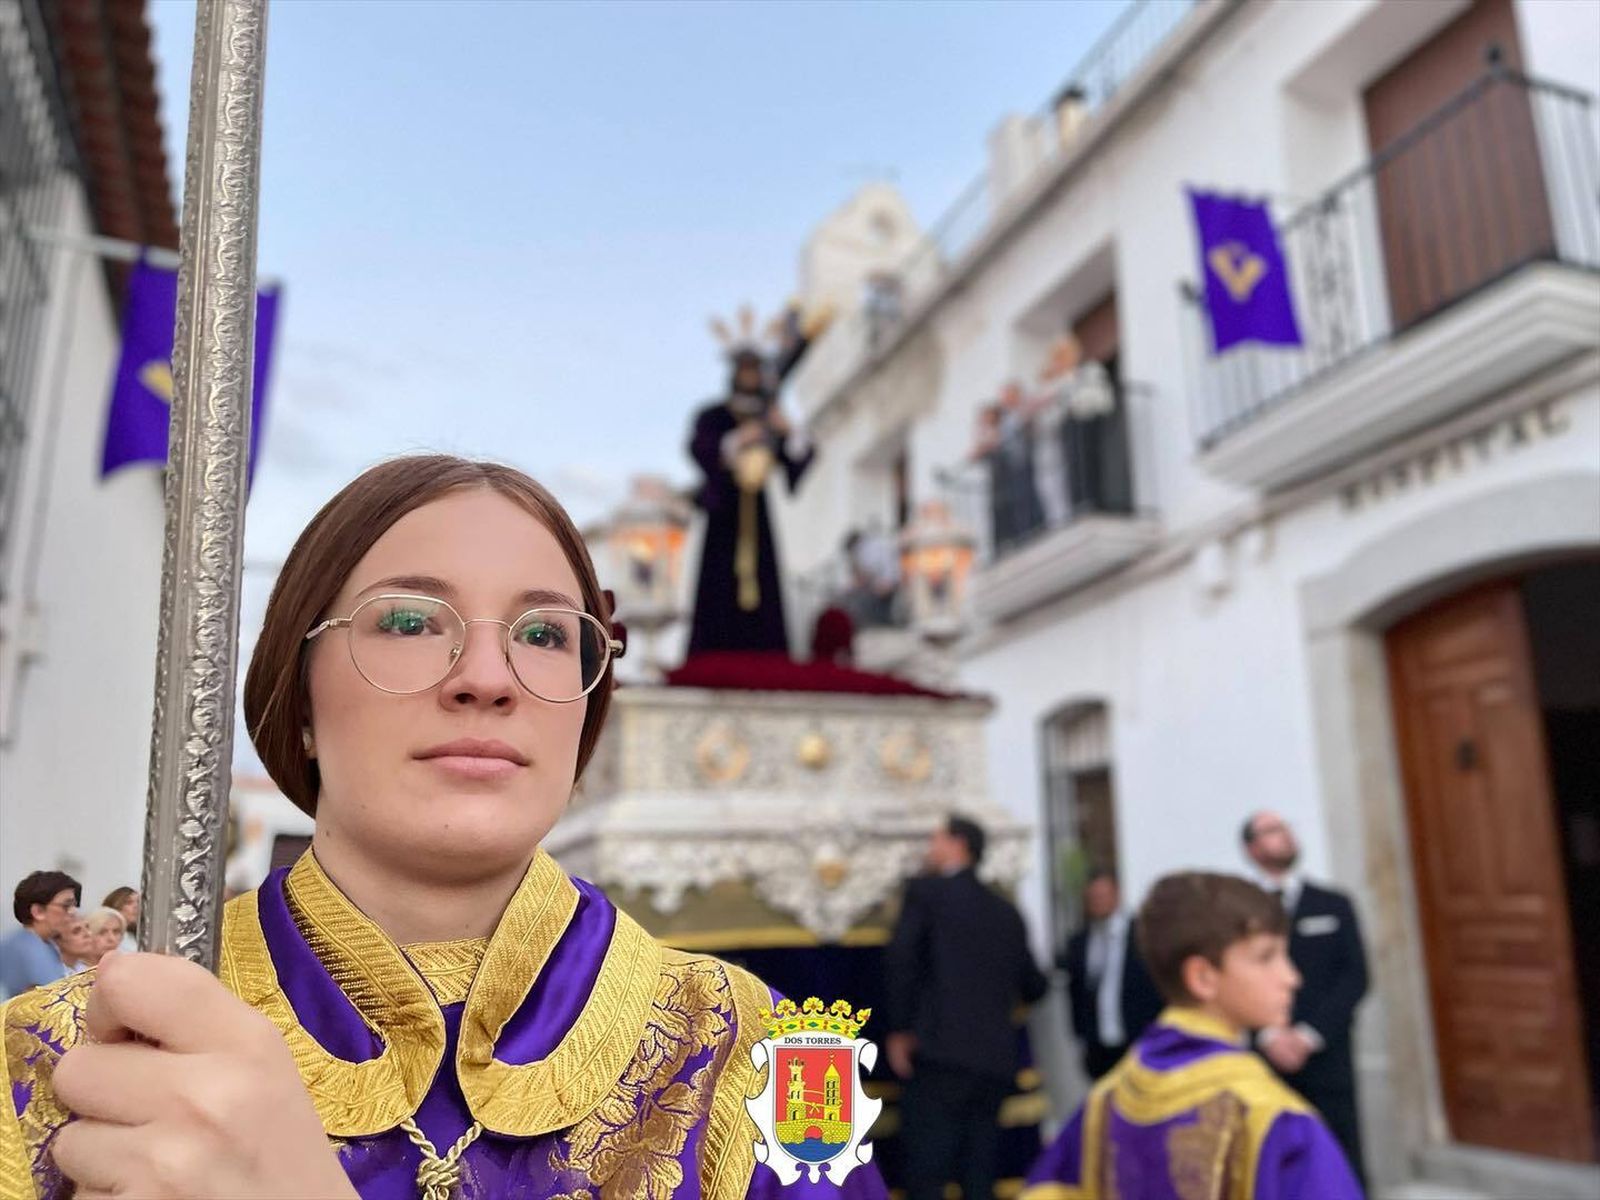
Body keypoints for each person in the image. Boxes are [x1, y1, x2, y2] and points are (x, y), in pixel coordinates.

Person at [1, 455, 887, 1199]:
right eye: (411, 621)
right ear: (299, 695)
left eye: (545, 633)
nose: (488, 676)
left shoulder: (776, 1056)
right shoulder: (64, 1053)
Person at [1022, 872, 1363, 1199]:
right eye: (1266, 957)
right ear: (1203, 977)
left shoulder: (1105, 1102)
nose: (1291, 977)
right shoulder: (1274, 1118)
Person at [886, 815, 1048, 1200]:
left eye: (936, 839)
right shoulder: (1005, 911)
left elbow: (901, 963)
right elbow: (1034, 984)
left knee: (928, 1172)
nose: (930, 847)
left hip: (939, 1054)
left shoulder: (926, 895)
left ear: (958, 844)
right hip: (993, 1062)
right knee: (980, 1174)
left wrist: (898, 1030)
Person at [686, 305, 825, 657]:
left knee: (764, 582)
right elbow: (700, 449)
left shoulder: (770, 418)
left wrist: (789, 430)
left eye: (754, 369)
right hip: (724, 516)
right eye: (744, 369)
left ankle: (767, 657)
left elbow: (797, 463)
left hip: (758, 513)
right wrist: (737, 441)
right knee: (719, 584)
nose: (749, 376)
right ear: (734, 373)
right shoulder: (714, 416)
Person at [1241, 809, 1369, 1184]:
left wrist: (1307, 1036)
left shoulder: (1332, 904)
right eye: (1272, 830)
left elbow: (1355, 977)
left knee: (1341, 1159)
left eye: (1286, 826)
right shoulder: (1241, 912)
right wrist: (1268, 1035)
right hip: (1266, 1061)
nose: (1285, 835)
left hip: (1327, 1057)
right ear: (1253, 847)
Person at [1060, 870, 1163, 1080]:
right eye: (1093, 898)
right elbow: (1078, 992)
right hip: (1098, 1047)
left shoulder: (1143, 935)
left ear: (1116, 895)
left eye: (1103, 896)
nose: (1098, 902)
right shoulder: (1080, 942)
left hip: (1138, 1040)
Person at [0, 871, 80, 1000]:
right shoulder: (19, 948)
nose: (73, 912)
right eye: (66, 906)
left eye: (74, 905)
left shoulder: (48, 944)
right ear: (38, 911)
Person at [102, 886, 139, 953]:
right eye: (129, 902)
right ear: (116, 906)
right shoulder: (103, 934)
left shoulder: (136, 936)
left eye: (138, 902)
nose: (136, 906)